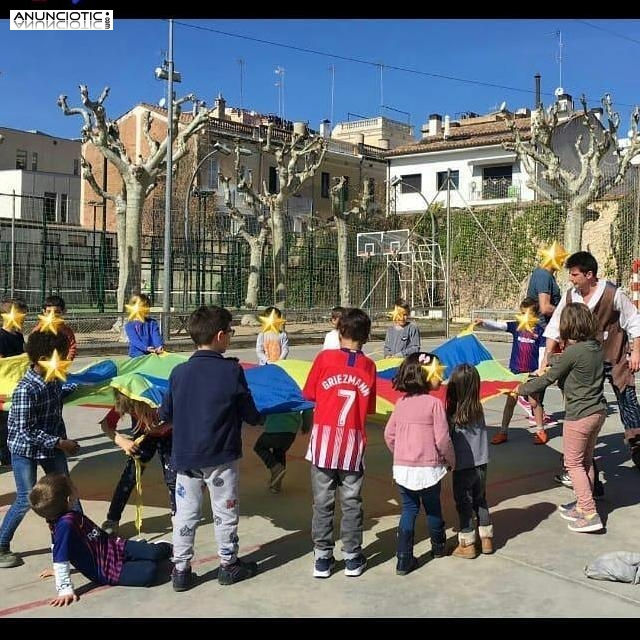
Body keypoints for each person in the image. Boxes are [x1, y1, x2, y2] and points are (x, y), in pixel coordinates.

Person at [158, 305, 263, 592]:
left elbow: (164, 413)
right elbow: (249, 411)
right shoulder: (231, 371)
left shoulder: (179, 373)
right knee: (225, 510)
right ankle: (228, 565)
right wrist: (260, 419)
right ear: (219, 336)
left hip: (186, 459)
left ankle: (180, 570)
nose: (230, 336)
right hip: (221, 457)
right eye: (230, 332)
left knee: (186, 513)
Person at [543, 250, 640, 475]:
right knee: (584, 407)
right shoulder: (570, 297)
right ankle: (581, 462)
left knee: (627, 398)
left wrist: (636, 352)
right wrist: (547, 357)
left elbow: (634, 322)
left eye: (574, 275)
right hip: (584, 362)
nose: (571, 279)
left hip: (613, 355)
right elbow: (555, 327)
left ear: (589, 275)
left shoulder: (613, 293)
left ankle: (636, 444)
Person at [302, 307, 377, 579]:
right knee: (352, 502)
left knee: (322, 502)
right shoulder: (369, 366)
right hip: (353, 444)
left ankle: (322, 557)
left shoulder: (324, 359)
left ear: (339, 330)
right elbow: (368, 407)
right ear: (366, 336)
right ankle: (352, 557)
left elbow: (309, 393)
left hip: (323, 441)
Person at [520, 303, 608, 533]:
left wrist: (521, 389)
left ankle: (589, 512)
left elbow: (548, 379)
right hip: (598, 412)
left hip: (579, 414)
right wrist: (553, 358)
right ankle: (583, 504)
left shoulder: (573, 351)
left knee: (573, 463)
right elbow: (568, 361)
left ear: (569, 326)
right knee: (586, 460)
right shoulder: (595, 347)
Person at [0, 330, 81, 569]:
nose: (65, 362)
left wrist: (84, 385)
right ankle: (2, 545)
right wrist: (61, 443)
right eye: (61, 357)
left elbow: (57, 399)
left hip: (51, 445)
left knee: (68, 490)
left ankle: (79, 537)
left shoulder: (52, 380)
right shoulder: (26, 389)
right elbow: (26, 431)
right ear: (44, 358)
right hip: (25, 449)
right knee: (26, 498)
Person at [28, 474, 172, 607]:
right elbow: (60, 554)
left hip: (114, 547)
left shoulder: (64, 516)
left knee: (155, 552)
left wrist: (56, 569)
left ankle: (152, 548)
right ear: (69, 500)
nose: (76, 488)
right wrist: (64, 588)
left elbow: (56, 546)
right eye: (73, 488)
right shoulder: (64, 524)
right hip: (106, 569)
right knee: (149, 572)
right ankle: (142, 554)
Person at [383, 351, 455, 576]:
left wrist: (401, 453)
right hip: (429, 469)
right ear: (426, 375)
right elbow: (442, 439)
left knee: (409, 509)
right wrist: (450, 460)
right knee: (433, 507)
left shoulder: (401, 403)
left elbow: (389, 435)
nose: (441, 378)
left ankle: (403, 559)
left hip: (403, 469)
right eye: (438, 373)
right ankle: (438, 547)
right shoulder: (434, 404)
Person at [99, 390, 176, 535]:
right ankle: (112, 519)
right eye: (131, 411)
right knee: (129, 477)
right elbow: (106, 424)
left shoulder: (160, 397)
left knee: (173, 478)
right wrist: (122, 441)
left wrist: (163, 427)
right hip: (145, 436)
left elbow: (183, 413)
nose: (134, 413)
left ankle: (179, 516)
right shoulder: (128, 399)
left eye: (137, 411)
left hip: (169, 435)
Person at [474, 297, 549, 445]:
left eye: (526, 314)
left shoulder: (540, 332)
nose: (523, 317)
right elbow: (499, 325)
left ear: (535, 316)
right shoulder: (516, 327)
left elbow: (542, 352)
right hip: (515, 372)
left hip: (531, 374)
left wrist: (539, 370)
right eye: (521, 313)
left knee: (534, 402)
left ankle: (540, 430)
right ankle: (503, 432)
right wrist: (483, 323)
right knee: (510, 402)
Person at [446, 363, 495, 558]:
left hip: (462, 466)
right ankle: (487, 539)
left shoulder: (453, 412)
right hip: (481, 463)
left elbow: (446, 439)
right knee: (480, 500)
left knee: (464, 503)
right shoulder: (478, 408)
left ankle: (467, 543)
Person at [524, 243, 564, 424]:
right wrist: (566, 311)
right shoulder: (543, 276)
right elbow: (545, 307)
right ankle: (530, 401)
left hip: (547, 330)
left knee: (546, 369)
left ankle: (536, 406)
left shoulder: (546, 276)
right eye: (562, 259)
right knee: (544, 369)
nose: (562, 264)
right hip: (543, 331)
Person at [254, 409, 312, 494]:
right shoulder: (298, 394)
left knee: (259, 447)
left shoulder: (273, 394)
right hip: (291, 430)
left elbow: (263, 403)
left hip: (274, 427)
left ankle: (275, 467)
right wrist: (306, 426)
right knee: (280, 451)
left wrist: (259, 420)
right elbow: (307, 408)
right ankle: (276, 485)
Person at [0, 297, 27, 467]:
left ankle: (11, 450)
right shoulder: (1, 336)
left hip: (17, 386)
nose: (24, 317)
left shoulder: (18, 335)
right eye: (21, 314)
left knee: (14, 420)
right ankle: (5, 455)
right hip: (4, 388)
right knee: (3, 423)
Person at [33, 295, 77, 361]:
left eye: (57, 312)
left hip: (60, 365)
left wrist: (68, 359)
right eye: (49, 311)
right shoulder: (38, 329)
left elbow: (72, 346)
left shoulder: (66, 331)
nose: (52, 315)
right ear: (44, 312)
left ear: (64, 311)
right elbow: (32, 347)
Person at [124, 293, 164, 357]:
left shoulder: (152, 323)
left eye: (148, 306)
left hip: (152, 353)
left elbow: (156, 336)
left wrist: (159, 346)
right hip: (136, 354)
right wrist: (146, 348)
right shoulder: (129, 325)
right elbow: (135, 340)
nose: (147, 309)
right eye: (144, 306)